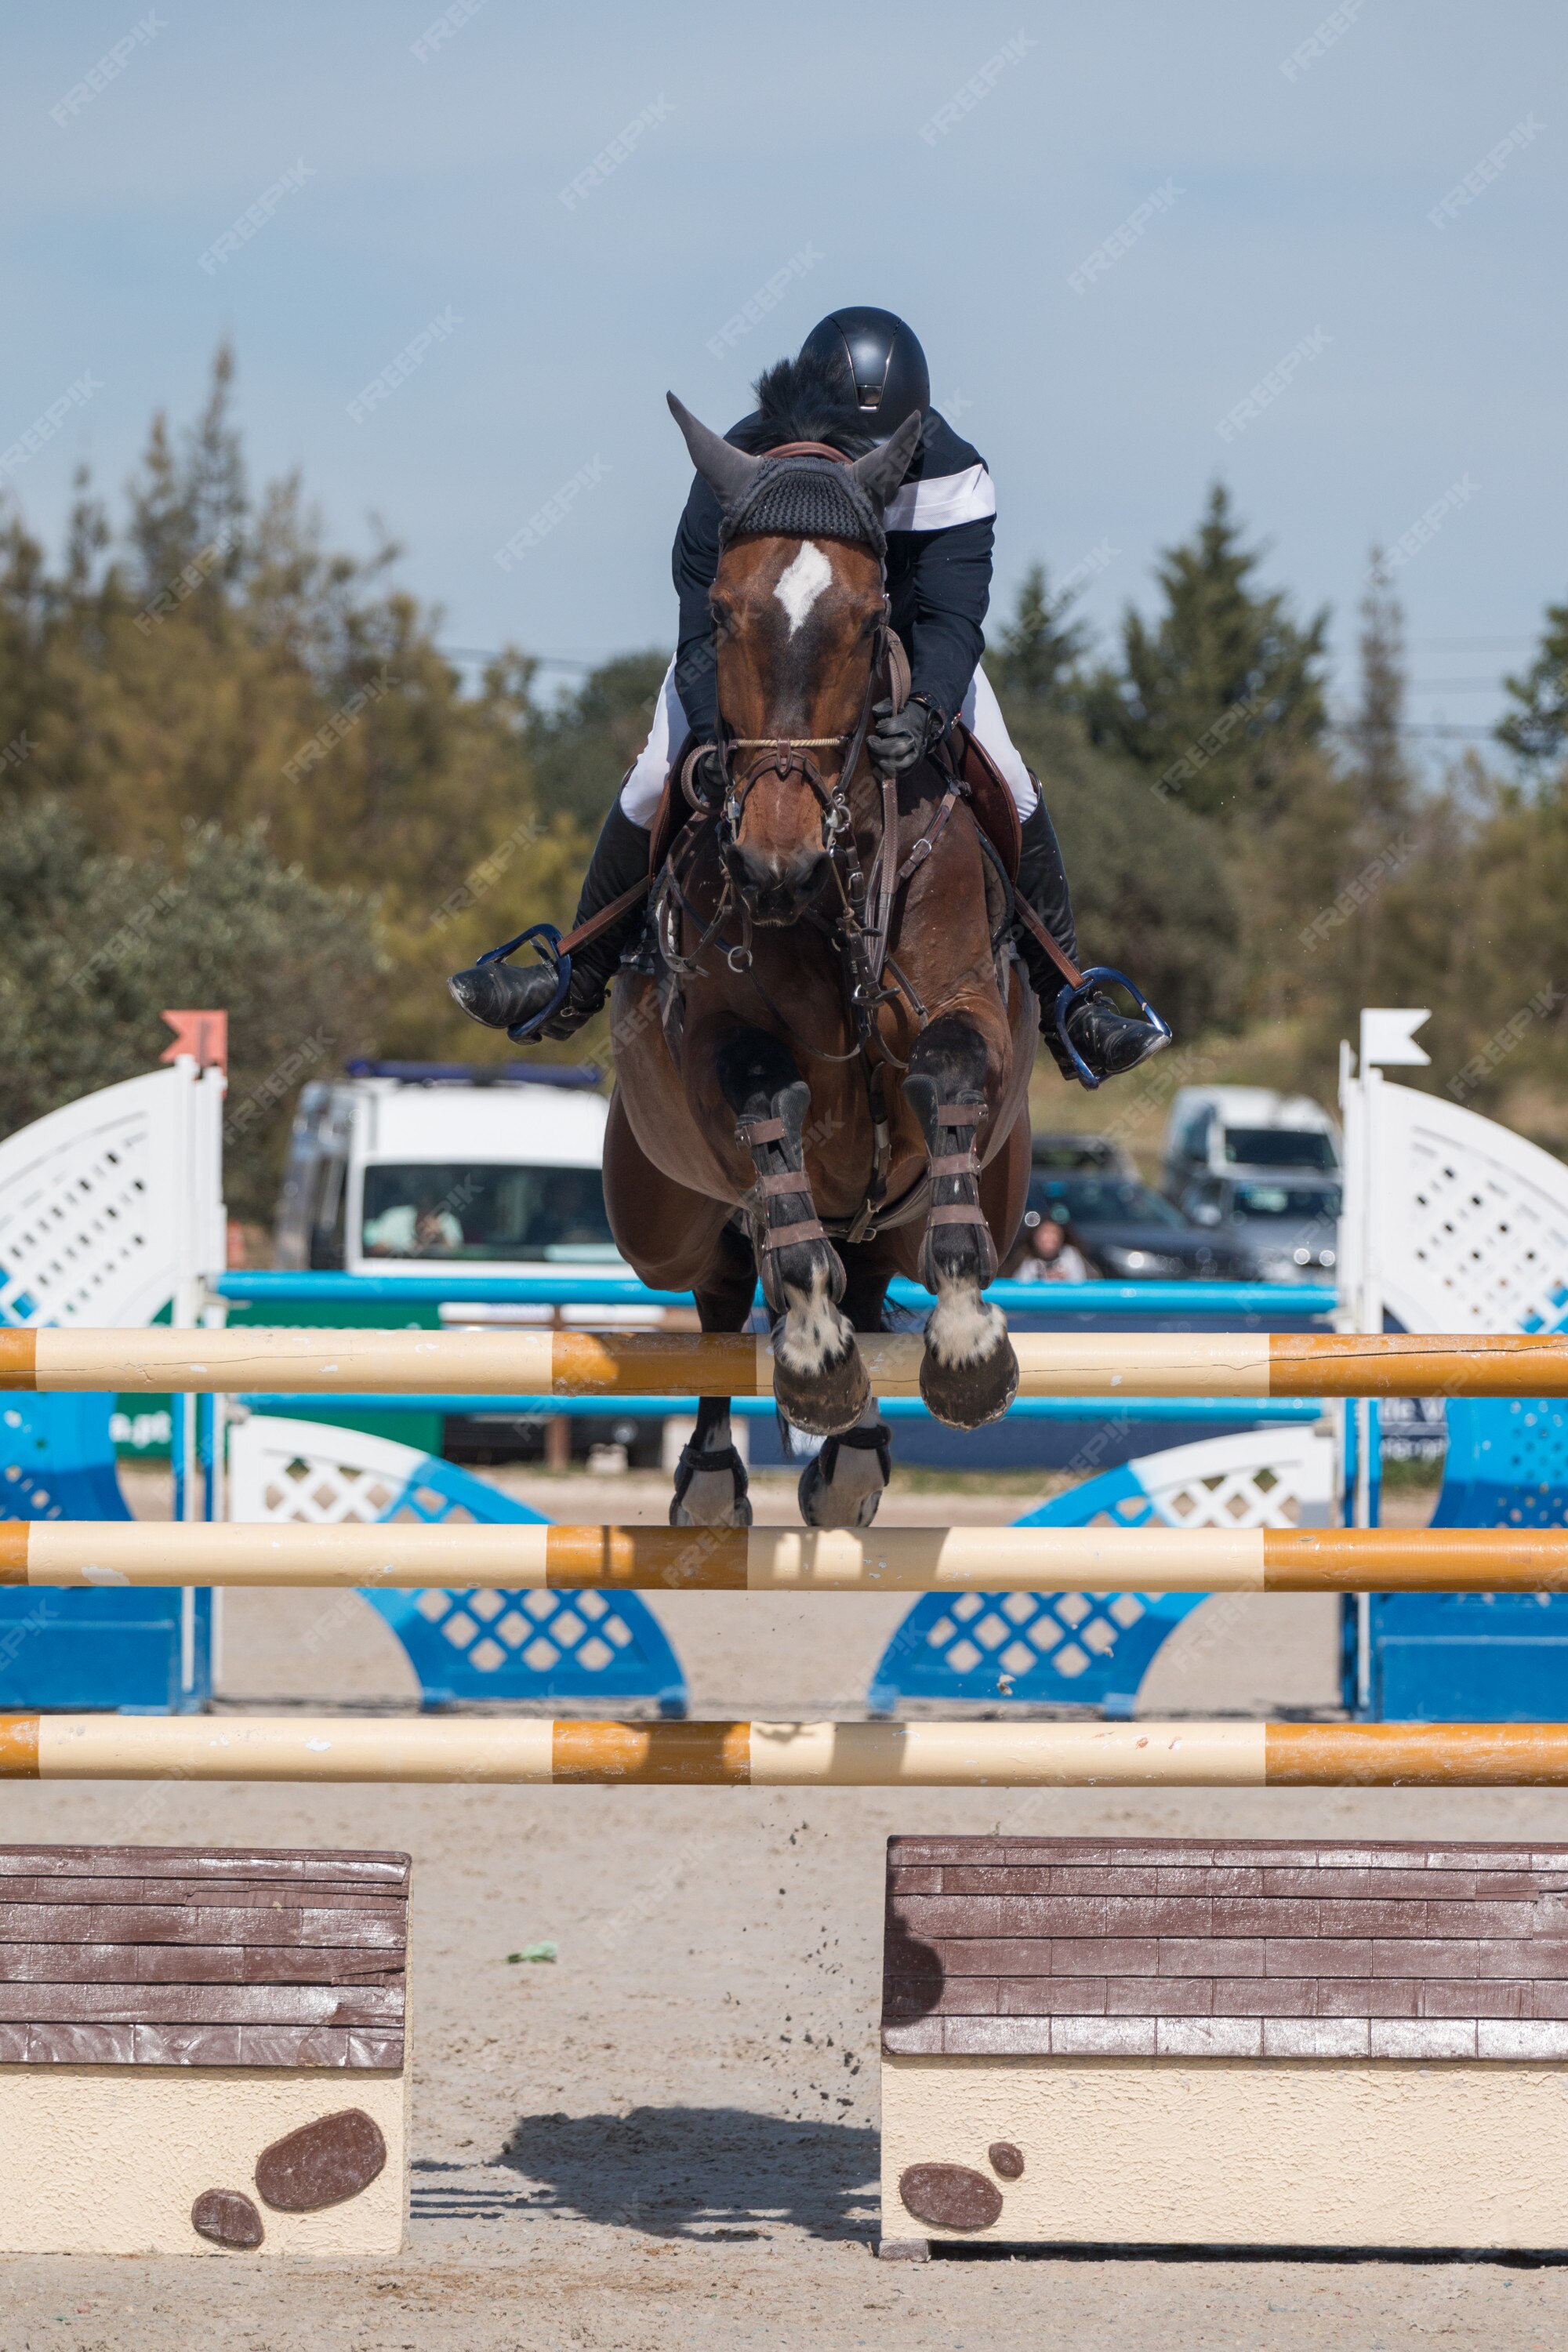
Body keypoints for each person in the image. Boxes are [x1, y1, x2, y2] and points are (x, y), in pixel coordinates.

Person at [452, 307, 1167, 1083]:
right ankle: (573, 975)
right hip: (759, 652)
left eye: (869, 455)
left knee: (1010, 778)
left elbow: (954, 619)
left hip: (904, 643)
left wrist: (927, 709)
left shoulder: (953, 477)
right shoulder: (734, 469)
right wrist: (705, 736)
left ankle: (1070, 1004)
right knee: (656, 773)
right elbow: (701, 625)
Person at [1005, 1211, 1091, 1283]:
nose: (1050, 1238)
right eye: (1045, 1233)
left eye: (1055, 1233)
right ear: (1034, 1237)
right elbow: (1018, 1288)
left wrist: (1064, 1279)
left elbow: (1082, 1285)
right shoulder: (1025, 1259)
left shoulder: (1070, 1255)